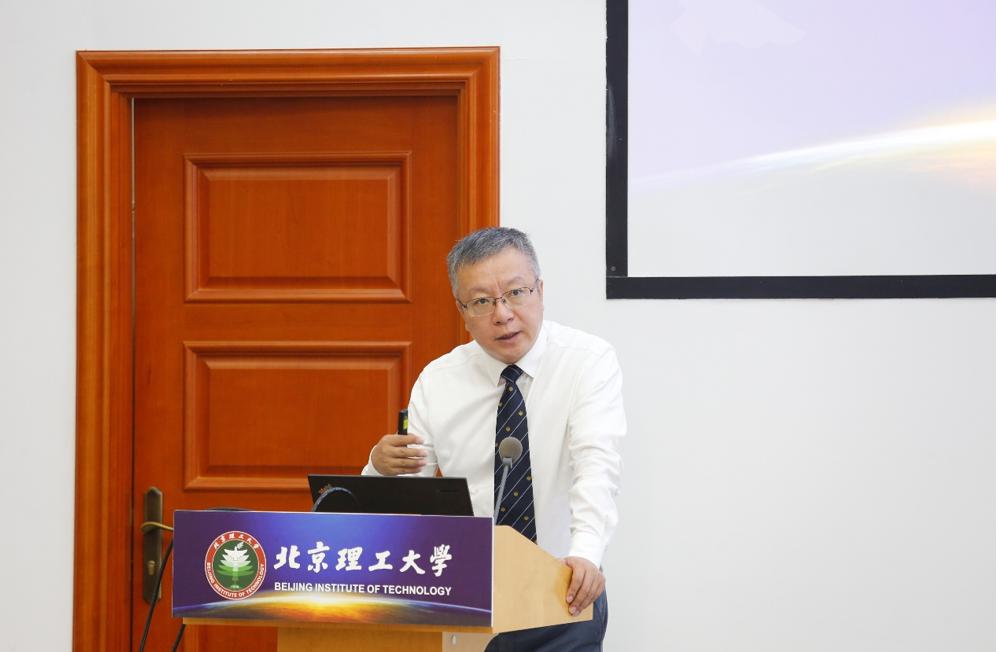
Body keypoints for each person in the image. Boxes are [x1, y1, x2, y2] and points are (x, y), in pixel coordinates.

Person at [362, 227, 625, 650]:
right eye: (482, 301)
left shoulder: (587, 362)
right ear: (462, 310)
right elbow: (407, 497)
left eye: (516, 293)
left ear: (540, 290)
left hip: (562, 586)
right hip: (468, 595)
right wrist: (379, 468)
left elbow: (596, 465)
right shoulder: (438, 380)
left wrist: (586, 554)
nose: (502, 314)